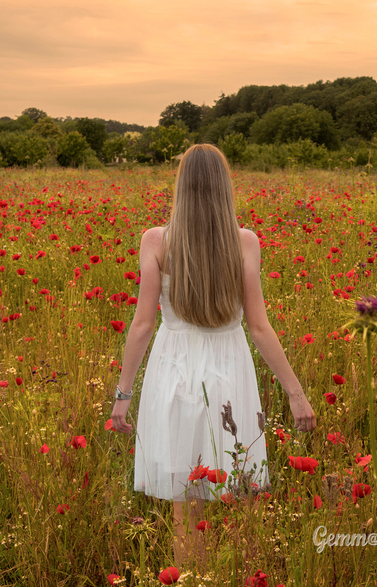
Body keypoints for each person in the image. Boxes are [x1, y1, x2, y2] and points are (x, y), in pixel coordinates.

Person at [111, 143, 316, 565]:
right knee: (245, 491)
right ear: (225, 186)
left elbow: (143, 325)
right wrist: (296, 393)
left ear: (180, 185)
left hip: (172, 372)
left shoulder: (155, 240)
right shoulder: (244, 242)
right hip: (229, 374)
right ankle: (249, 573)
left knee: (186, 501)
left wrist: (123, 396)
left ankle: (192, 577)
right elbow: (259, 326)